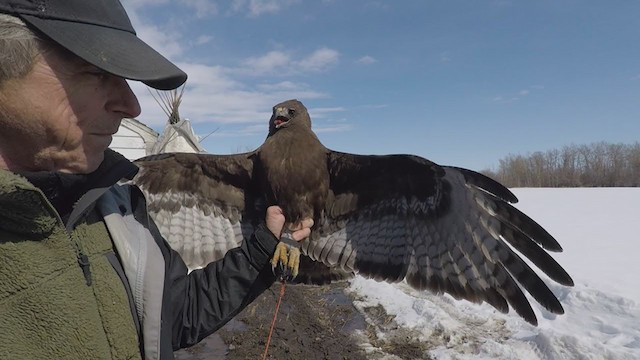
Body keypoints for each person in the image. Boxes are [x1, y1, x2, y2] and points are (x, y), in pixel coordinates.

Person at [0, 0, 313, 359]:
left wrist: (262, 249)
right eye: (94, 71)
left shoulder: (119, 211)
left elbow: (176, 316)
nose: (132, 105)